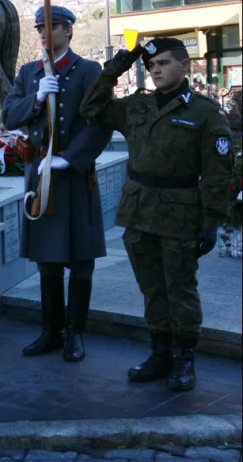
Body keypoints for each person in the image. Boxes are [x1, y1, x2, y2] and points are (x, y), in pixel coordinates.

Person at [80, 37, 232, 391]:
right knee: (151, 289)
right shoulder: (137, 106)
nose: (156, 70)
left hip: (180, 215)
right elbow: (91, 107)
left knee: (180, 288)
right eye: (151, 66)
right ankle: (160, 354)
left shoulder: (205, 113)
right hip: (138, 212)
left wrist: (210, 224)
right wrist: (118, 64)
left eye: (163, 63)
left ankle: (183, 359)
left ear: (184, 65)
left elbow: (217, 174)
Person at [2, 5, 112, 363]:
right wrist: (35, 98)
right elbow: (7, 115)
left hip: (74, 176)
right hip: (41, 175)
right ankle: (51, 331)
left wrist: (73, 157)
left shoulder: (88, 70)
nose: (43, 35)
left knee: (81, 262)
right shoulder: (29, 72)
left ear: (69, 31)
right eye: (39, 29)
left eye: (51, 27)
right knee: (47, 262)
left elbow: (100, 121)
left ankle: (75, 334)